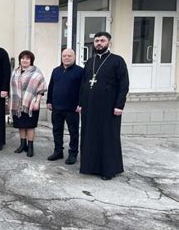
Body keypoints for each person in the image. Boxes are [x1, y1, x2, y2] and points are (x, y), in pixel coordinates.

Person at [79, 32, 129, 180]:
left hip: (109, 107)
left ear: (109, 43)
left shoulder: (117, 61)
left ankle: (107, 170)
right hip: (89, 107)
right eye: (96, 41)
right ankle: (90, 167)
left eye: (102, 40)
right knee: (90, 136)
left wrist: (119, 105)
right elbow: (83, 84)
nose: (99, 43)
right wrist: (81, 103)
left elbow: (124, 84)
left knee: (107, 137)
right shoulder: (89, 62)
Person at [46, 48, 84, 164]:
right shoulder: (56, 70)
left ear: (74, 57)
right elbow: (51, 86)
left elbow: (83, 89)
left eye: (69, 56)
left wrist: (81, 103)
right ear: (61, 57)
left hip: (72, 108)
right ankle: (58, 151)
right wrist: (49, 101)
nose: (66, 58)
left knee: (73, 132)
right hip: (57, 107)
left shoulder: (80, 71)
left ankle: (73, 153)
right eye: (64, 56)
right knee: (57, 130)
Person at [9, 50, 47, 157]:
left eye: (27, 58)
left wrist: (37, 101)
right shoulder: (15, 72)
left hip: (31, 104)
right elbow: (12, 88)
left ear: (31, 60)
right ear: (20, 60)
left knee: (30, 126)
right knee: (21, 125)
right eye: (22, 58)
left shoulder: (36, 72)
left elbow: (41, 88)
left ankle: (30, 147)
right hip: (17, 104)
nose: (25, 60)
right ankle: (22, 145)